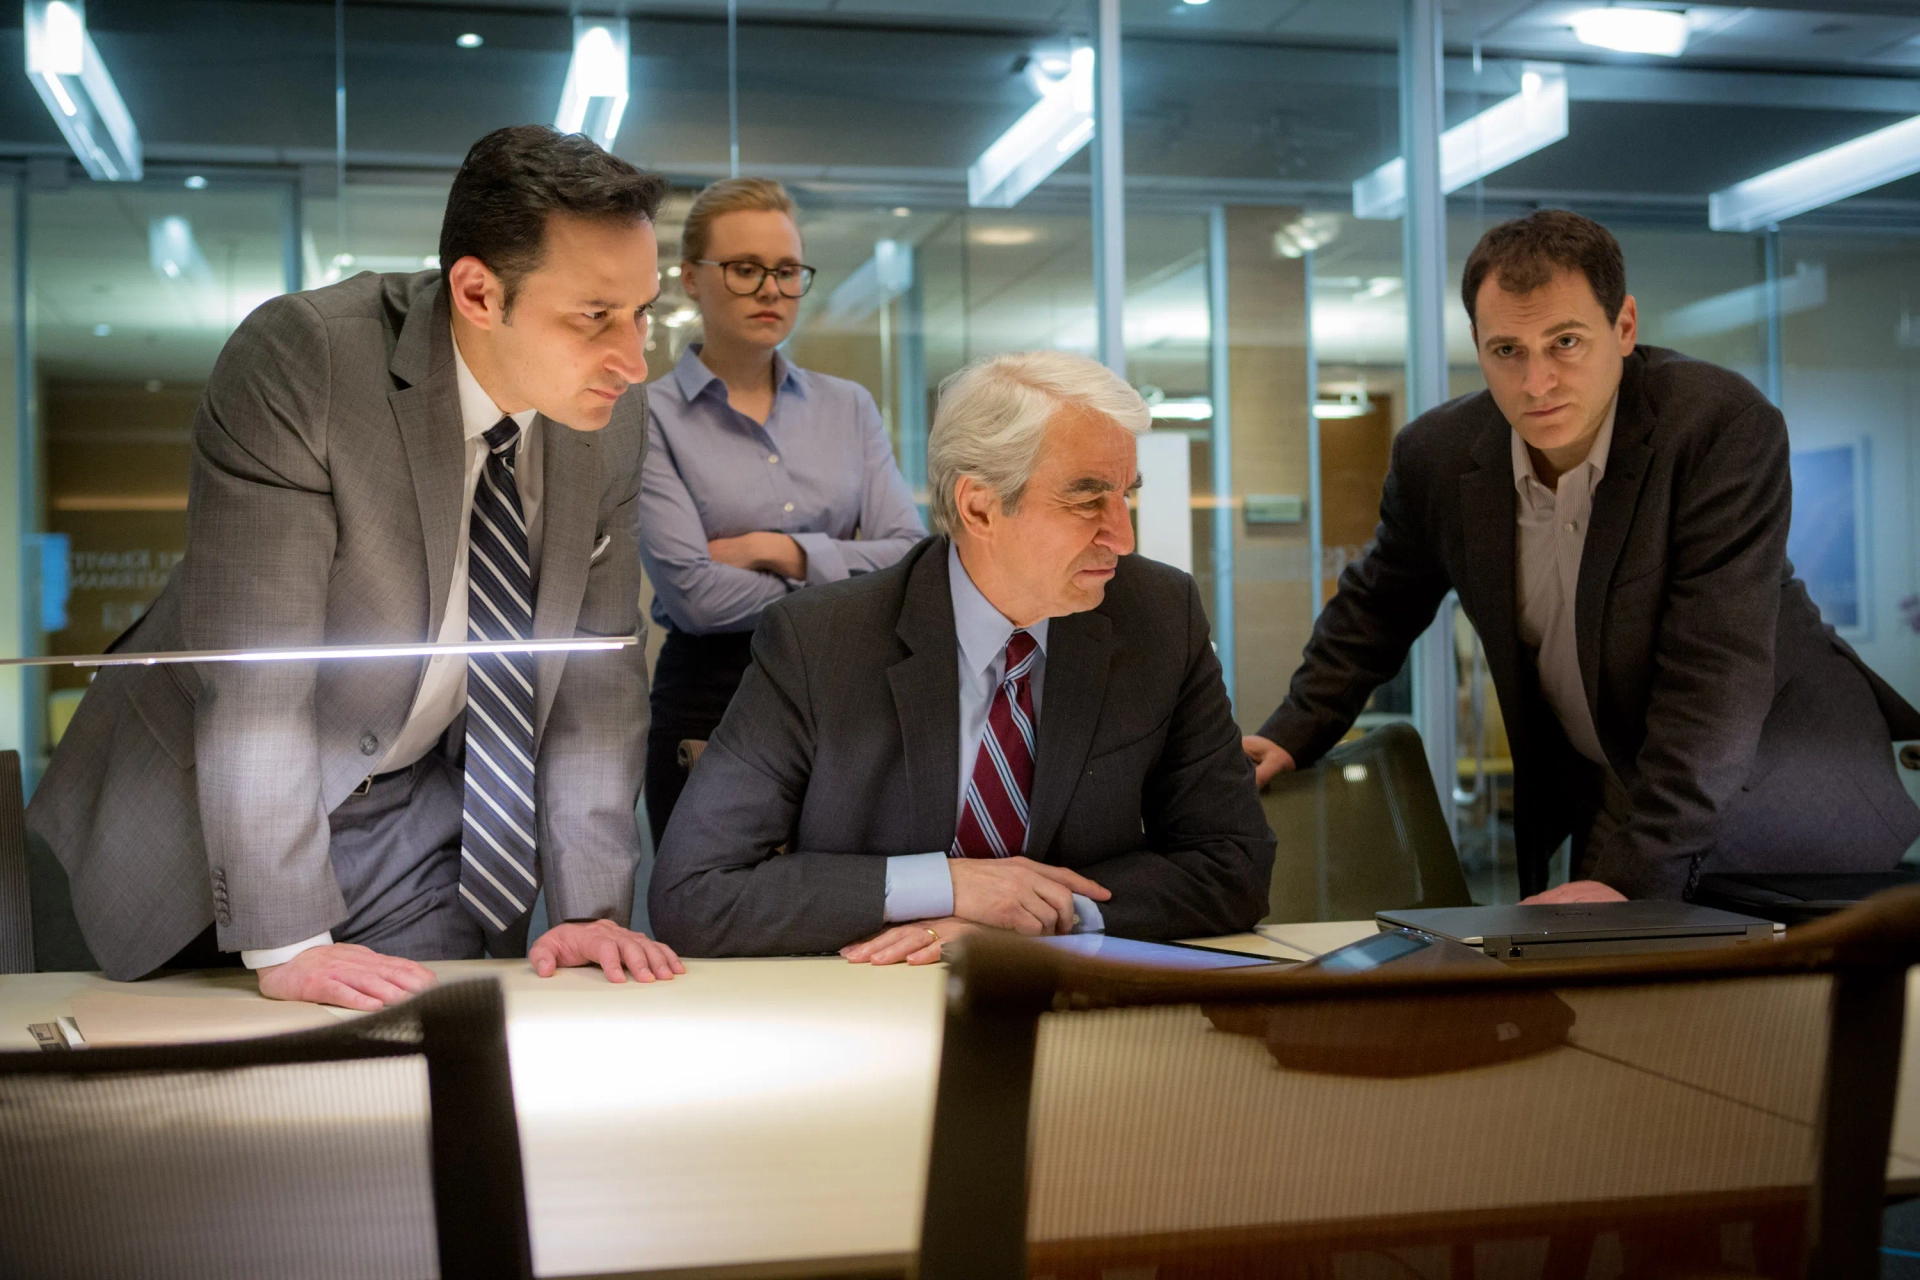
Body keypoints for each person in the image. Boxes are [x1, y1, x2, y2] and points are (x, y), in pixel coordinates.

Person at [27, 126, 685, 1005]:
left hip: (418, 812)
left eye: (643, 313)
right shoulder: (309, 362)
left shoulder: (611, 416)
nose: (634, 361)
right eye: (595, 317)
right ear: (478, 293)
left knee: (423, 1062)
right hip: (204, 803)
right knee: (187, 1068)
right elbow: (256, 676)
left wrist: (591, 910)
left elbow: (596, 683)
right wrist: (288, 940)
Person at [1242, 209, 1920, 903]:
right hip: (1627, 785)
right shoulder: (1436, 457)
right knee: (1592, 962)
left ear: (1624, 327)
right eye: (1507, 350)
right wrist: (1295, 730)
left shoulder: (1716, 428)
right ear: (1476, 344)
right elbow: (1378, 607)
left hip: (1782, 783)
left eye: (1565, 342)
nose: (1537, 382)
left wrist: (1632, 880)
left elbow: (1715, 677)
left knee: (1751, 975)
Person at [648, 350, 1274, 960]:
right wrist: (947, 886)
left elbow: (1233, 863)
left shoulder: (1157, 615)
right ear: (979, 507)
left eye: (1125, 496)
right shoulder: (821, 640)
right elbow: (694, 893)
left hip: (1078, 997)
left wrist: (1042, 918)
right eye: (1087, 501)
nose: (1123, 537)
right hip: (868, 999)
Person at [638, 177, 923, 844]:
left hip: (847, 694)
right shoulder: (646, 417)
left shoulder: (848, 407)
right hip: (713, 699)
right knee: (710, 899)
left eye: (788, 271)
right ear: (690, 278)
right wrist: (847, 580)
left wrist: (779, 550)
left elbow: (909, 558)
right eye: (745, 269)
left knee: (840, 899)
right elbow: (696, 598)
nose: (771, 290)